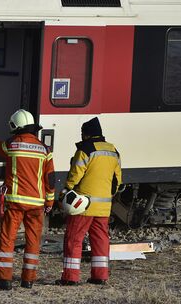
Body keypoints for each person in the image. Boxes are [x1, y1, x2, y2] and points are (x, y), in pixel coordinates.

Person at [0, 109, 55, 290]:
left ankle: (4, 280)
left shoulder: (12, 145)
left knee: (7, 239)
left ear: (16, 126)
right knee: (33, 241)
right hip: (36, 204)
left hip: (15, 202)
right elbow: (50, 179)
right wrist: (50, 202)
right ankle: (28, 280)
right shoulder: (45, 150)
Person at [57, 117, 122, 286]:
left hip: (82, 204)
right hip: (104, 205)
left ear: (86, 134)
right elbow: (117, 181)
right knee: (100, 239)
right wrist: (108, 195)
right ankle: (100, 276)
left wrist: (66, 191)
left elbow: (75, 175)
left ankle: (70, 277)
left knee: (74, 239)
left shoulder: (85, 149)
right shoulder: (113, 150)